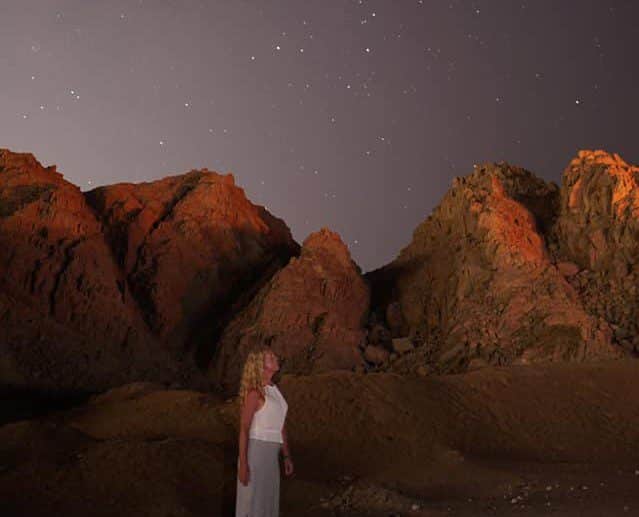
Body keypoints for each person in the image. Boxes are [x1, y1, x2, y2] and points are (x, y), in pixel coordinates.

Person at [235, 345, 294, 517]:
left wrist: (286, 455)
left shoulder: (274, 390)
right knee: (253, 503)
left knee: (268, 501)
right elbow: (244, 428)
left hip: (271, 456)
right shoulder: (255, 393)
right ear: (260, 365)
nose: (276, 358)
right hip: (256, 454)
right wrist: (244, 464)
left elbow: (280, 426)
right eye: (270, 357)